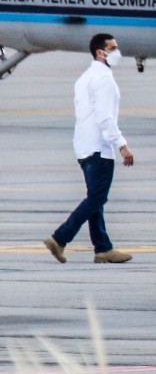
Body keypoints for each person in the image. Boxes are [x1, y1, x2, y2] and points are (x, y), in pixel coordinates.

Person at [44, 33, 134, 265]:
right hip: (99, 147)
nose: (117, 52)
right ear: (99, 53)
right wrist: (121, 145)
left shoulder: (84, 78)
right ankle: (60, 238)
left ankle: (103, 248)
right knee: (97, 198)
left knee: (96, 199)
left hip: (83, 146)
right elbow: (105, 118)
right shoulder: (103, 80)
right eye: (112, 48)